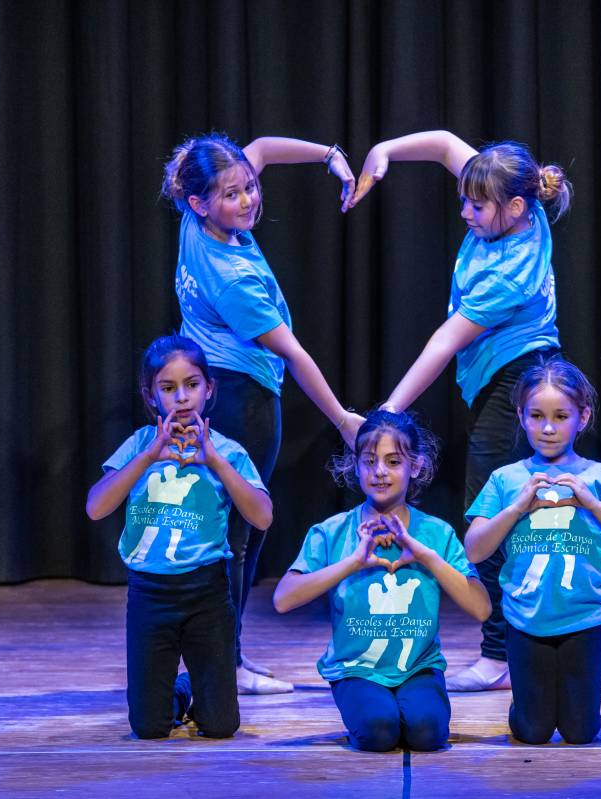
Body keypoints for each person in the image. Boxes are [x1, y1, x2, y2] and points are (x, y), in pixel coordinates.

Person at [346, 131, 573, 691]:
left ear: (515, 209)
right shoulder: (517, 200)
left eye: (477, 205)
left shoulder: (512, 270)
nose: (466, 212)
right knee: (497, 510)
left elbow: (445, 341)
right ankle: (516, 648)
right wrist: (385, 152)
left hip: (517, 379)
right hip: (494, 378)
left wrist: (387, 411)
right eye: (464, 201)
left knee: (492, 514)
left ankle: (499, 654)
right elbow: (447, 145)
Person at [160, 133, 366, 694]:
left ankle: (219, 659)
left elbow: (263, 146)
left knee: (228, 533)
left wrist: (331, 157)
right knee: (236, 537)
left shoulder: (196, 217)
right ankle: (223, 664)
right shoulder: (231, 276)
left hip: (218, 394)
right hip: (239, 401)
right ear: (200, 201)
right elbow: (294, 353)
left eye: (249, 187)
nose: (248, 199)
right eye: (232, 194)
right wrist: (344, 421)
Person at [86, 335, 272, 739]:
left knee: (221, 726)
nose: (182, 398)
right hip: (150, 594)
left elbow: (261, 517)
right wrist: (150, 456)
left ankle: (194, 683)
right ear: (151, 396)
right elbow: (96, 506)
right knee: (149, 727)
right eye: (168, 389)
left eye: (192, 385)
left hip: (206, 593)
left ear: (210, 389)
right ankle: (176, 690)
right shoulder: (140, 445)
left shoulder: (227, 451)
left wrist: (216, 462)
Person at [273, 411, 491, 752]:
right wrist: (353, 562)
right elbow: (284, 599)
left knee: (427, 733)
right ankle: (370, 708)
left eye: (392, 461)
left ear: (415, 467)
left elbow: (480, 608)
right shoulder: (333, 532)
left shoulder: (436, 533)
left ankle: (410, 705)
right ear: (355, 465)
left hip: (417, 666)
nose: (379, 472)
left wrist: (425, 555)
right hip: (356, 668)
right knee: (378, 731)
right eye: (370, 461)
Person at [464, 357, 601, 744]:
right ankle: (526, 704)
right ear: (521, 416)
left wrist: (592, 504)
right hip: (525, 622)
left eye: (561, 416)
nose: (547, 428)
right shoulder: (506, 479)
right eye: (536, 415)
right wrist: (517, 507)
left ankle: (569, 703)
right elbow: (476, 550)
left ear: (582, 417)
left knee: (580, 732)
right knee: (533, 732)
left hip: (585, 622)